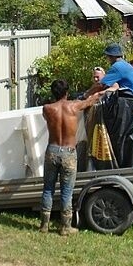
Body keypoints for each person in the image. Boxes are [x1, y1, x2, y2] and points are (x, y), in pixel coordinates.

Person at [84, 43, 133, 165]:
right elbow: (113, 87)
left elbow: (101, 85)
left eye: (107, 57)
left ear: (110, 56)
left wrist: (85, 96)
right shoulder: (124, 66)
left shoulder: (117, 67)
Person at [40, 79, 99, 235]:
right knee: (66, 191)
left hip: (52, 150)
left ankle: (44, 225)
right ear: (67, 92)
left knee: (48, 189)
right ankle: (65, 226)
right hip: (68, 152)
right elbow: (90, 101)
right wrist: (98, 90)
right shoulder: (74, 106)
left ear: (53, 93)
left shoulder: (47, 109)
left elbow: (48, 120)